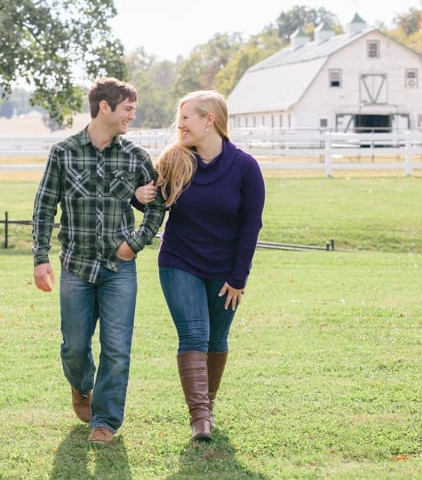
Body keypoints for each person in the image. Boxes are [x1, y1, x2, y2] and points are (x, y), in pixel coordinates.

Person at [32, 77, 165, 445]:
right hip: (76, 265)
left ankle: (105, 422)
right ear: (104, 108)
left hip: (119, 268)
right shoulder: (63, 152)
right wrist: (40, 257)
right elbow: (44, 207)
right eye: (127, 109)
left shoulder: (136, 156)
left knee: (117, 348)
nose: (132, 116)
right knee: (75, 346)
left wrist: (134, 244)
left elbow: (157, 206)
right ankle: (80, 386)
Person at [140, 90, 265, 442]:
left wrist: (238, 278)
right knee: (194, 334)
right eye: (179, 119)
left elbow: (250, 226)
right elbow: (154, 208)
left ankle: (207, 406)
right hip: (180, 261)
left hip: (226, 270)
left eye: (186, 118)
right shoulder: (174, 160)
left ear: (209, 120)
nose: (179, 125)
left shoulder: (245, 167)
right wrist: (139, 198)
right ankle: (199, 419)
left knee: (217, 338)